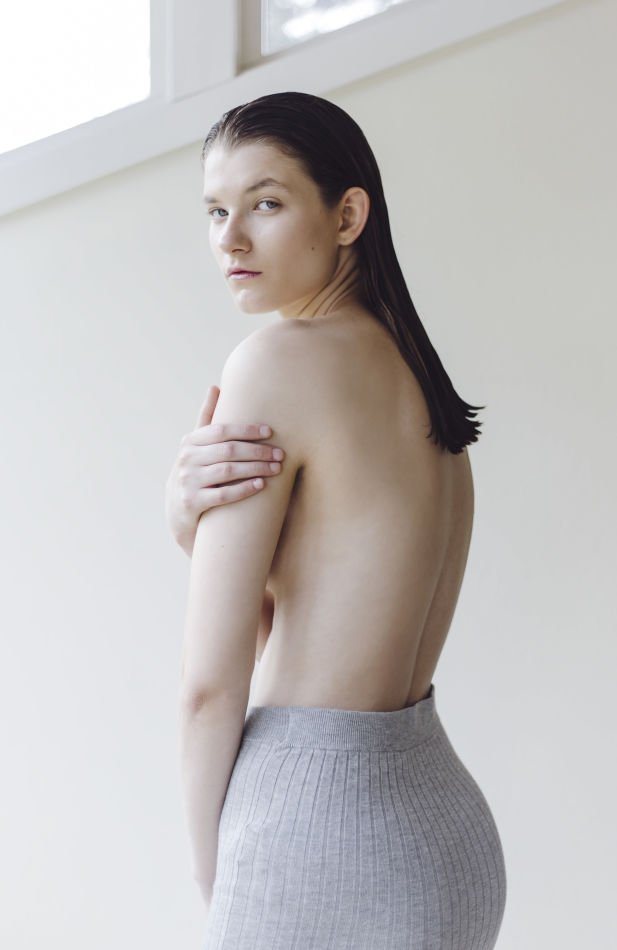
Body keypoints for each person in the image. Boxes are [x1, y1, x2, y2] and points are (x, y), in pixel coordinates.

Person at [167, 91, 507, 949]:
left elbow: (210, 688)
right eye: (215, 211)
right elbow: (296, 624)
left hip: (312, 836)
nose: (230, 240)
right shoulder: (417, 379)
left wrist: (215, 874)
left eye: (265, 203)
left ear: (347, 215)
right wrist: (190, 529)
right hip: (440, 826)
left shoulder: (275, 362)